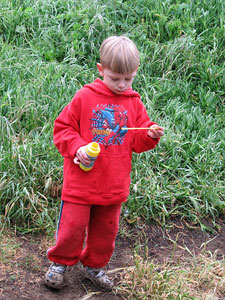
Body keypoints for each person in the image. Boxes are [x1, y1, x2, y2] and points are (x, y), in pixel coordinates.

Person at [44, 35, 164, 290]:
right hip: (81, 182)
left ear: (135, 73)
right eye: (115, 78)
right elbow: (62, 128)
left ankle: (94, 267)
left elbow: (138, 139)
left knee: (106, 233)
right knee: (72, 227)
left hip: (113, 184)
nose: (122, 85)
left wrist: (150, 134)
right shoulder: (85, 97)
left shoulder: (133, 102)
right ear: (101, 70)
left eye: (128, 79)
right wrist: (78, 148)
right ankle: (60, 263)